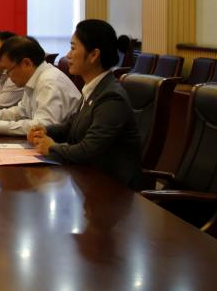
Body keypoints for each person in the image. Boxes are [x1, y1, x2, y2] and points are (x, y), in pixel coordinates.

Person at [28, 20, 142, 188]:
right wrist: (45, 131)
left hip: (112, 189)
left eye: (73, 48)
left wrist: (52, 148)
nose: (68, 55)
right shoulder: (94, 87)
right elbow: (70, 126)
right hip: (87, 179)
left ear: (93, 55)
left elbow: (88, 150)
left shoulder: (111, 97)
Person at [0, 35, 81, 136]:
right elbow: (21, 112)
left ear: (26, 63)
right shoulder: (34, 78)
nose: (8, 76)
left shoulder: (49, 82)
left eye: (8, 70)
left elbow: (43, 126)